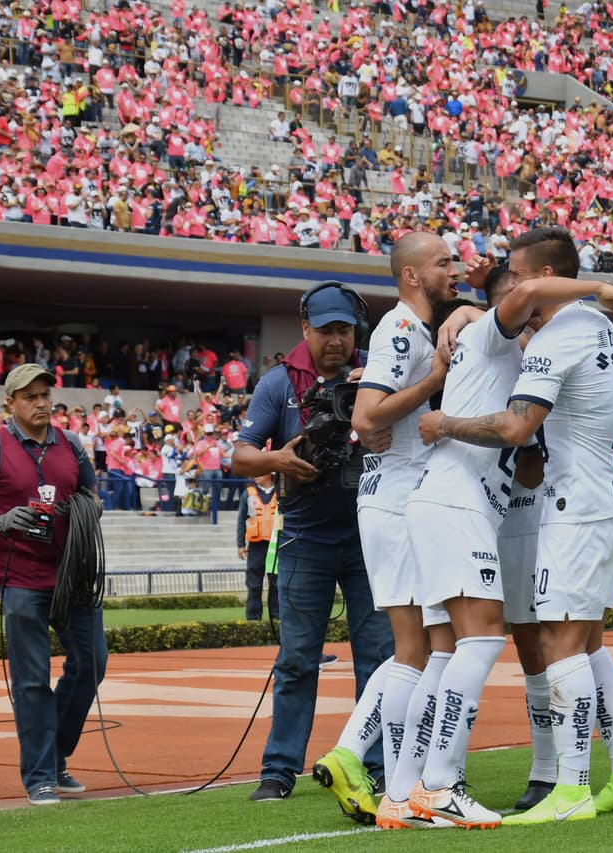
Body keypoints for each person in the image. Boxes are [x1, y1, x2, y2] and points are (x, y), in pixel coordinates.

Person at [420, 226, 613, 825]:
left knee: (559, 644)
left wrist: (447, 423)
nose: (514, 288)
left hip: (574, 505)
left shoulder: (562, 335)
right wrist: (471, 311)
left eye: (522, 276)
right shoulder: (595, 326)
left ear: (547, 276)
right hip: (599, 495)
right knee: (589, 644)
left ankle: (571, 788)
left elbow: (517, 428)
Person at [235, 282, 394, 805]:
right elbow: (240, 457)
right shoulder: (278, 384)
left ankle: (376, 766)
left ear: (356, 330)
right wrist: (278, 459)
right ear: (305, 329)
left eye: (344, 330)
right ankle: (280, 769)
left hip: (372, 535)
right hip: (305, 536)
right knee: (298, 659)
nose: (335, 340)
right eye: (325, 330)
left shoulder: (378, 370)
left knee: (379, 656)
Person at [339, 231, 461, 830]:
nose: (454, 269)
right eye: (443, 263)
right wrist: (433, 382)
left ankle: (369, 766)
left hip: (402, 501)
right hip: (393, 504)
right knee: (421, 648)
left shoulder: (416, 328)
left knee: (427, 647)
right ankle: (398, 786)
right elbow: (367, 415)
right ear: (412, 275)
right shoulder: (397, 329)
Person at [0, 363, 106, 806]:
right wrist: (0, 520)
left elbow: (91, 496)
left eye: (45, 395)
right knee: (32, 680)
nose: (41, 403)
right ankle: (40, 776)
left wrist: (86, 510)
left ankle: (54, 756)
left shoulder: (72, 444)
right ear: (11, 403)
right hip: (21, 579)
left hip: (73, 575)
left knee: (93, 662)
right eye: (31, 396)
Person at [237, 472, 279, 621]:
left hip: (276, 545)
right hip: (255, 546)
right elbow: (242, 519)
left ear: (269, 474)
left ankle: (277, 618)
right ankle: (253, 619)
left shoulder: (281, 491)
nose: (254, 475)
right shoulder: (249, 493)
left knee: (276, 584)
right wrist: (241, 544)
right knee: (254, 585)